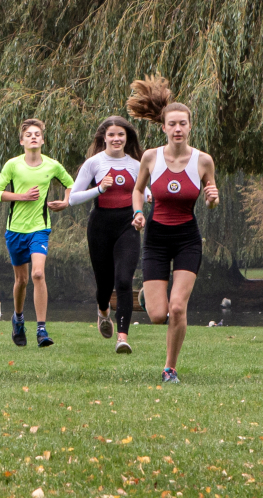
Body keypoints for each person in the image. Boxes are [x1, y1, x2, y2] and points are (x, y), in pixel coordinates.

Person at [127, 76, 219, 384]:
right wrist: (138, 213)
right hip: (156, 239)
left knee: (177, 308)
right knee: (157, 315)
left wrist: (212, 199)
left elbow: (211, 198)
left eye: (183, 123)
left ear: (190, 126)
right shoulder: (151, 157)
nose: (178, 129)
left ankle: (170, 368)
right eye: (172, 124)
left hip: (186, 240)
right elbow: (137, 191)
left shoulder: (203, 161)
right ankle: (150, 297)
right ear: (163, 127)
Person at [0, 118, 74, 348]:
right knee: (22, 280)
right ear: (22, 141)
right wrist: (22, 196)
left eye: (37, 134)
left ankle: (41, 329)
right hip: (15, 230)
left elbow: (70, 184)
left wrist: (66, 202)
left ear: (43, 140)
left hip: (40, 228)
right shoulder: (13, 165)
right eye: (29, 134)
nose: (33, 137)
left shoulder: (52, 165)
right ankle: (18, 319)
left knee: (38, 274)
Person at [67, 116, 144, 353]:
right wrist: (99, 188)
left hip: (127, 225)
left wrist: (145, 202)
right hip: (100, 225)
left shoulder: (136, 164)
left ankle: (122, 337)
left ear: (127, 137)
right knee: (104, 285)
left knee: (123, 281)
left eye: (121, 134)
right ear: (104, 138)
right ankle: (102, 312)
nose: (116, 139)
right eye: (111, 135)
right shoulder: (93, 163)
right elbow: (72, 198)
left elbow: (143, 190)